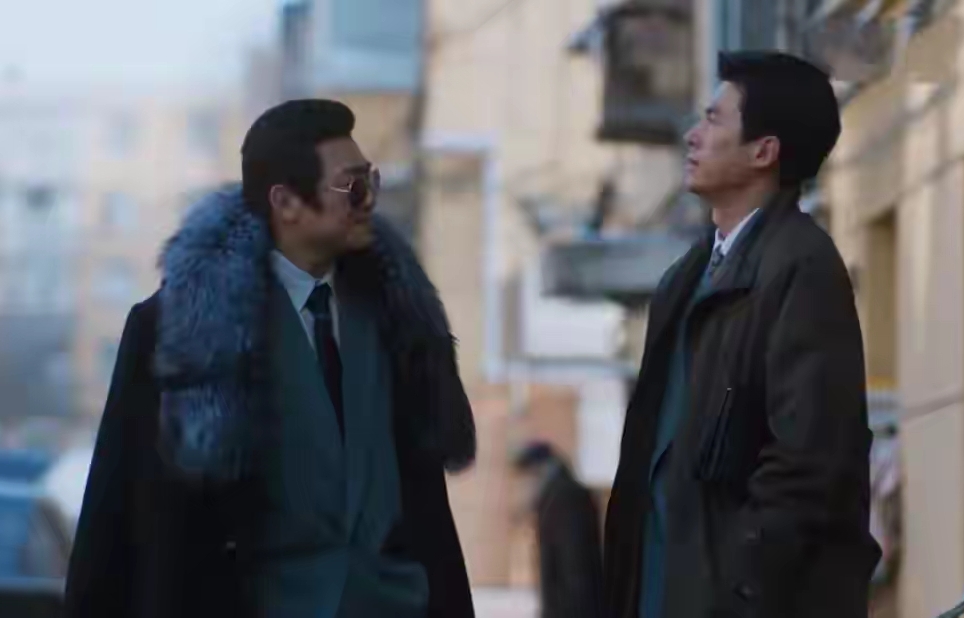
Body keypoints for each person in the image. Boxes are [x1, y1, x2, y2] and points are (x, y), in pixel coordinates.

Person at [65, 99, 476, 618]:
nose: (369, 200)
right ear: (286, 202)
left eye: (370, 180)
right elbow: (113, 514)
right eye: (352, 187)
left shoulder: (400, 321)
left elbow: (430, 516)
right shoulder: (179, 332)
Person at [603, 51, 881, 618]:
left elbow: (808, 463)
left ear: (763, 152)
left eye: (713, 120)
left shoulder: (802, 267)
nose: (692, 136)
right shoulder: (683, 279)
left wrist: (741, 591)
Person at [514, 442, 603, 618]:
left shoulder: (565, 500)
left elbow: (576, 574)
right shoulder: (557, 497)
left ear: (537, 471)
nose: (522, 489)